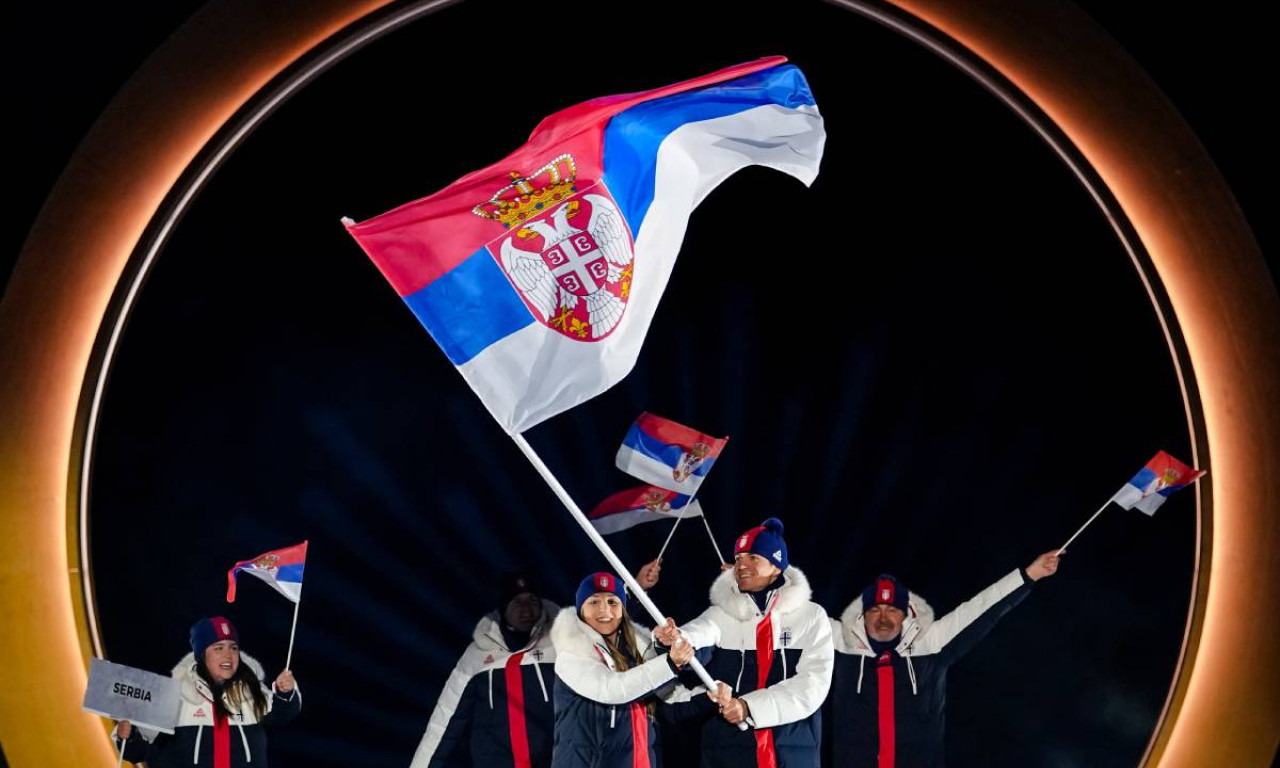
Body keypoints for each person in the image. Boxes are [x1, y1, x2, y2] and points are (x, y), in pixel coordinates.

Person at [829, 552, 1061, 767]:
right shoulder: (841, 641)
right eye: (874, 610)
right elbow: (797, 622)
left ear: (906, 613)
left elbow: (982, 608)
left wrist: (1029, 575)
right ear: (862, 615)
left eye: (891, 610)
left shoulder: (931, 641)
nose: (883, 618)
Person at [678, 517, 834, 768]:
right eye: (738, 558)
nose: (741, 565)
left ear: (776, 565)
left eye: (753, 558)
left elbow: (812, 686)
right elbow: (696, 633)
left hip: (791, 752)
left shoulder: (810, 615)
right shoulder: (721, 613)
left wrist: (749, 707)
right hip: (729, 751)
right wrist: (675, 641)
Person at [410, 571, 560, 768]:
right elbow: (443, 722)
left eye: (532, 600)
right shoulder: (477, 656)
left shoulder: (562, 644)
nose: (526, 610)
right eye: (517, 602)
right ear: (504, 609)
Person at [550, 571, 696, 768]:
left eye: (612, 602)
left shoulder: (633, 651)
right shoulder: (572, 654)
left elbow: (667, 696)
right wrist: (669, 663)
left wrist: (663, 647)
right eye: (594, 602)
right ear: (580, 610)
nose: (604, 610)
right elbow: (612, 689)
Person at [114, 615, 300, 767]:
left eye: (233, 648)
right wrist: (128, 738)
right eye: (218, 648)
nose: (228, 655)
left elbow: (282, 714)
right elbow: (139, 752)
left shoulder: (251, 691)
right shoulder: (175, 695)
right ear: (202, 655)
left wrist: (286, 692)